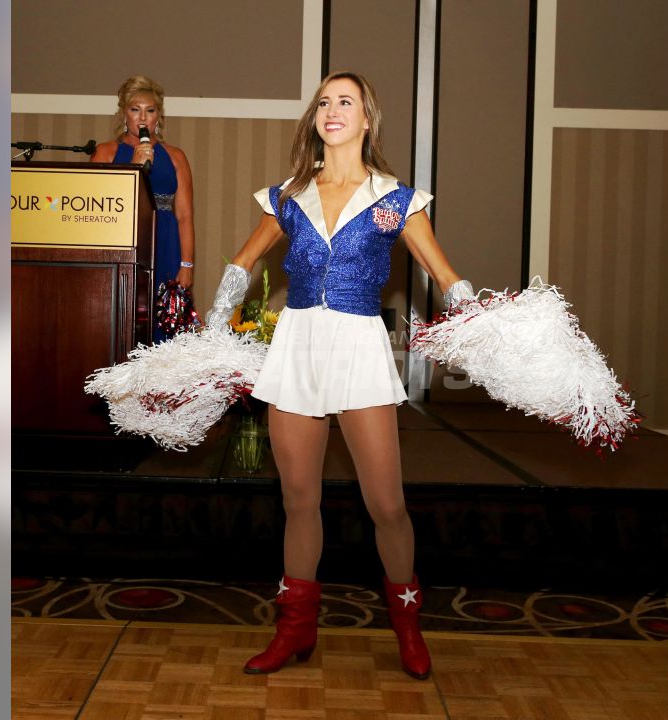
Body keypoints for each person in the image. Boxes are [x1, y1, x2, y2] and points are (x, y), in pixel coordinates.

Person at [205, 71, 473, 680]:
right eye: (323, 102)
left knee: (387, 506)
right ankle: (295, 628)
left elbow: (444, 276)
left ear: (367, 119)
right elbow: (241, 264)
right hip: (296, 346)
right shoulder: (288, 195)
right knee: (299, 500)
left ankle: (407, 622)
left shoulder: (394, 199)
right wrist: (209, 330)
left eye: (344, 101)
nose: (331, 110)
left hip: (359, 349)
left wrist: (490, 327)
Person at [92, 75, 196, 343]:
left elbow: (184, 215)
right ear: (123, 114)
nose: (142, 118)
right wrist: (134, 167)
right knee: (124, 323)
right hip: (122, 244)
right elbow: (99, 208)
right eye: (135, 109)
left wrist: (186, 264)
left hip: (166, 242)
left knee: (168, 327)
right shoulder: (106, 153)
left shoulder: (175, 156)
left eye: (150, 111)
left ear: (158, 117)